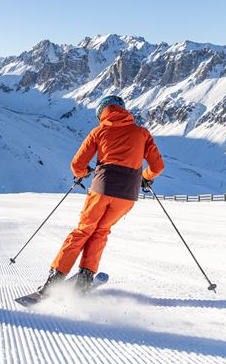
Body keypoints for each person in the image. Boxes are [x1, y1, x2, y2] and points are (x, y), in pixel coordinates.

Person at [39, 95, 164, 296]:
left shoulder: (99, 131)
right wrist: (144, 177)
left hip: (102, 190)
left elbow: (77, 166)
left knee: (83, 231)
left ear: (101, 113)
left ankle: (55, 279)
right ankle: (84, 281)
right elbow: (158, 166)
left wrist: (85, 172)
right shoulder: (142, 133)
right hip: (127, 196)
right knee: (101, 232)